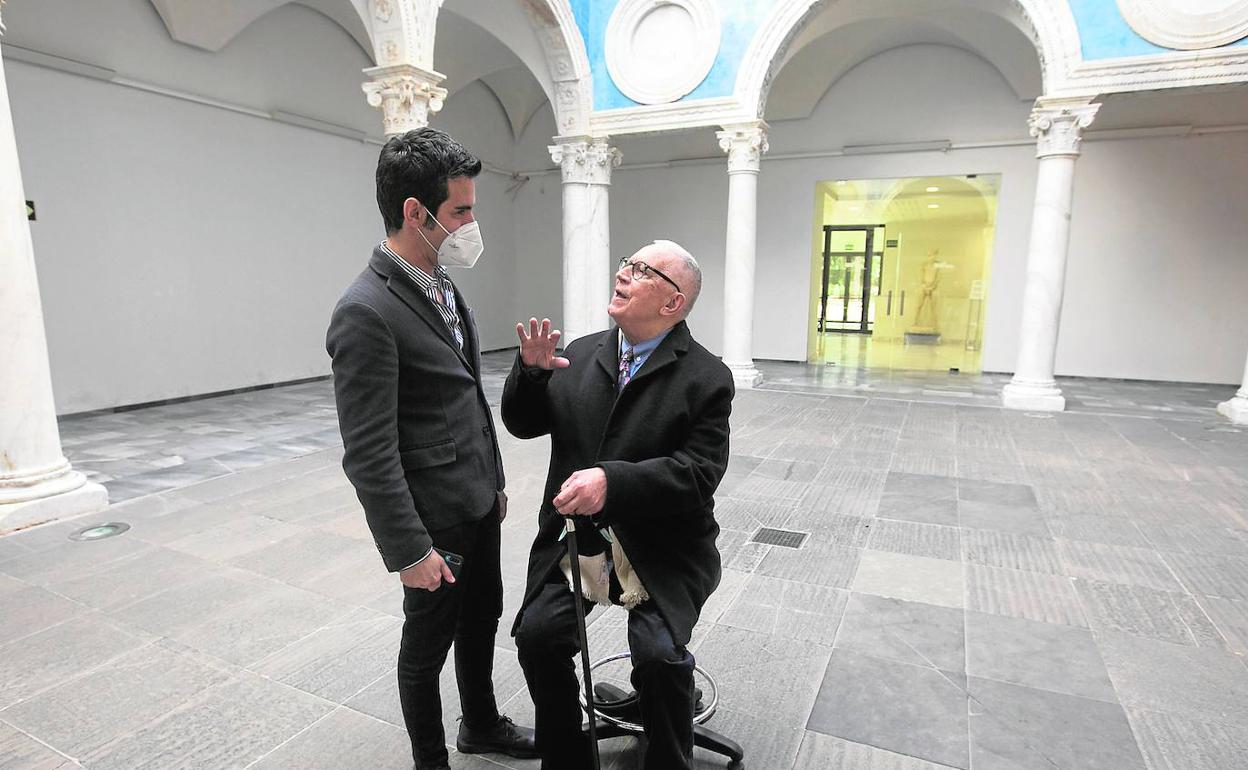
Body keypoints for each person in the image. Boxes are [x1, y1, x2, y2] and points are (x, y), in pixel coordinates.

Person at [325, 127, 535, 770]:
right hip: (430, 518)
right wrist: (409, 549)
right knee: (427, 644)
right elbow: (367, 451)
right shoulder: (365, 310)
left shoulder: (441, 284)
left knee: (482, 617)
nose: (472, 224)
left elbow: (465, 395)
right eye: (460, 212)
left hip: (473, 498)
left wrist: (494, 481)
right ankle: (431, 760)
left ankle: (480, 724)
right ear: (415, 213)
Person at [501, 239, 734, 770]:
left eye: (642, 270)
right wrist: (532, 373)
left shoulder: (706, 376)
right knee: (539, 638)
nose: (623, 272)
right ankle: (565, 758)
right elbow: (524, 423)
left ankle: (668, 759)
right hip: (576, 542)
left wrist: (613, 482)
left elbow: (699, 473)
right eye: (627, 262)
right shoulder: (581, 353)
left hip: (660, 546)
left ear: (673, 303)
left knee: (658, 657)